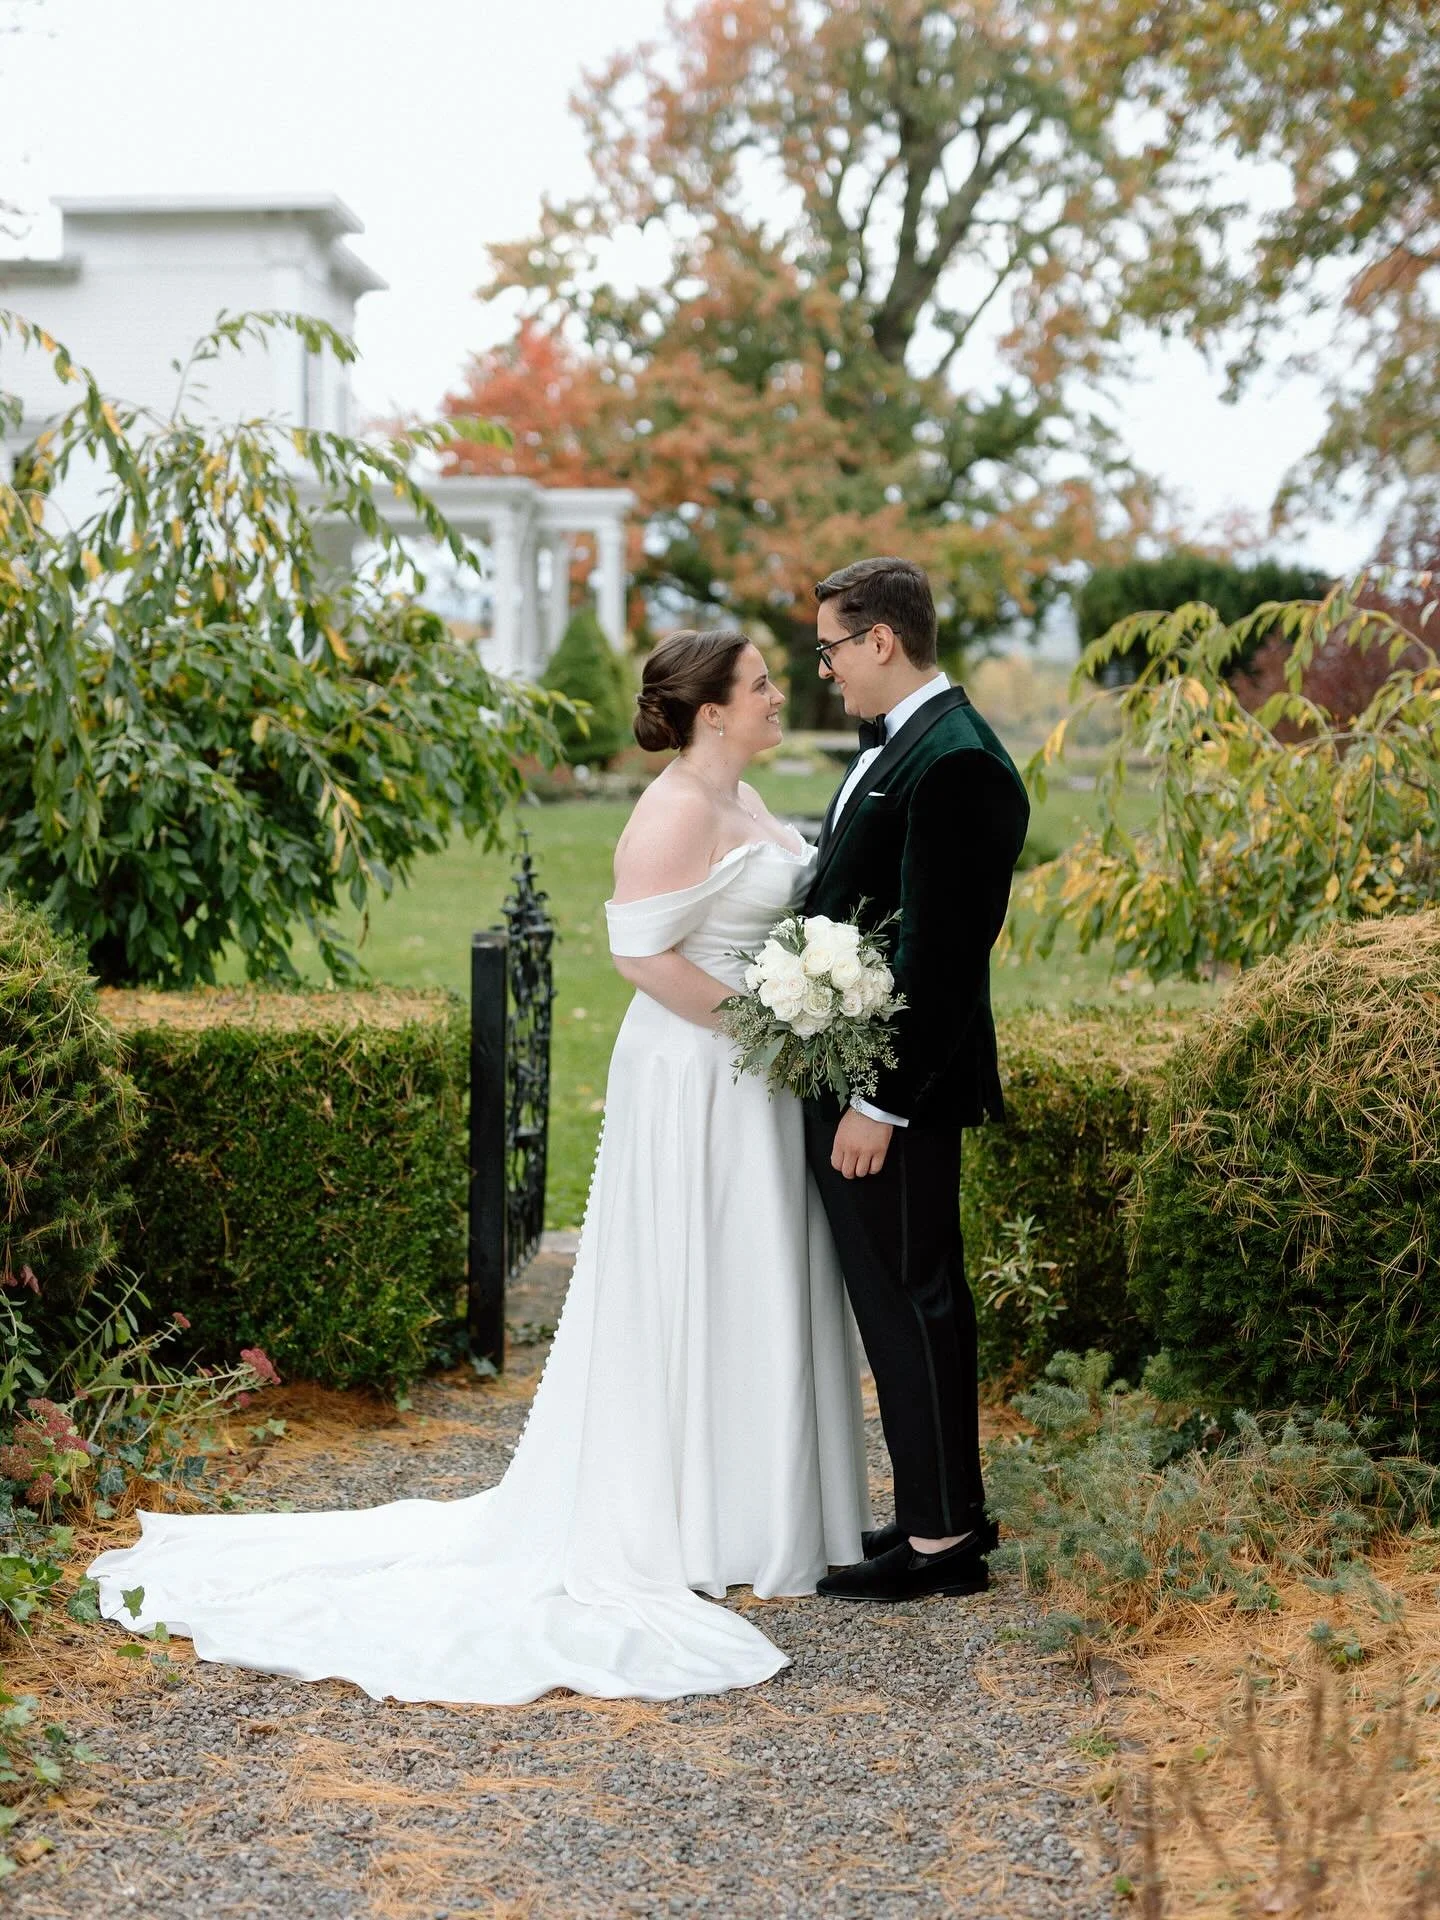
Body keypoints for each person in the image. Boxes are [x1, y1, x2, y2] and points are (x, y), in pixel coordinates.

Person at [89, 629, 870, 1704]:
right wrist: (769, 1024)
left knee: (753, 1275)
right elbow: (642, 954)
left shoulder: (742, 798)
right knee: (695, 1273)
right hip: (698, 1072)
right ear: (710, 712)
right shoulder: (678, 807)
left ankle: (755, 1507)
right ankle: (686, 1515)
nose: (783, 693)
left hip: (750, 1075)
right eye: (763, 684)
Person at [802, 556, 1030, 1604]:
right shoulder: (900, 743)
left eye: (831, 650)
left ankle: (946, 1546)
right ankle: (940, 1515)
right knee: (898, 1302)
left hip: (901, 1091)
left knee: (918, 1299)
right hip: (870, 1080)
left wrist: (877, 1103)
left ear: (880, 640)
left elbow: (944, 959)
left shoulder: (959, 763)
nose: (826, 672)